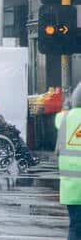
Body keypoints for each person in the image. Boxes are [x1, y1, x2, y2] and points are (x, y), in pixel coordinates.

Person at [56, 85, 81, 240]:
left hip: (71, 187)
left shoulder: (63, 118)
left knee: (75, 228)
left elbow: (61, 114)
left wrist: (67, 105)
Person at [0, 99, 39, 167]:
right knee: (20, 142)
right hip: (3, 137)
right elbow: (4, 125)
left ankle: (22, 159)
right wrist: (12, 128)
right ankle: (30, 159)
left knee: (17, 142)